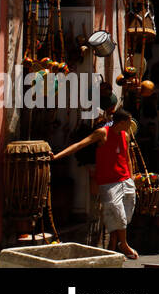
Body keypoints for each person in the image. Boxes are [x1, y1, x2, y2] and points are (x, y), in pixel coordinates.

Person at [53, 106, 139, 259]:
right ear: (121, 122)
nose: (131, 125)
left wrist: (131, 177)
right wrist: (57, 156)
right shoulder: (102, 133)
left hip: (126, 180)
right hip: (109, 182)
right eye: (129, 121)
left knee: (126, 212)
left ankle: (113, 241)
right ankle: (124, 244)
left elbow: (127, 157)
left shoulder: (125, 135)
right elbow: (80, 144)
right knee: (117, 212)